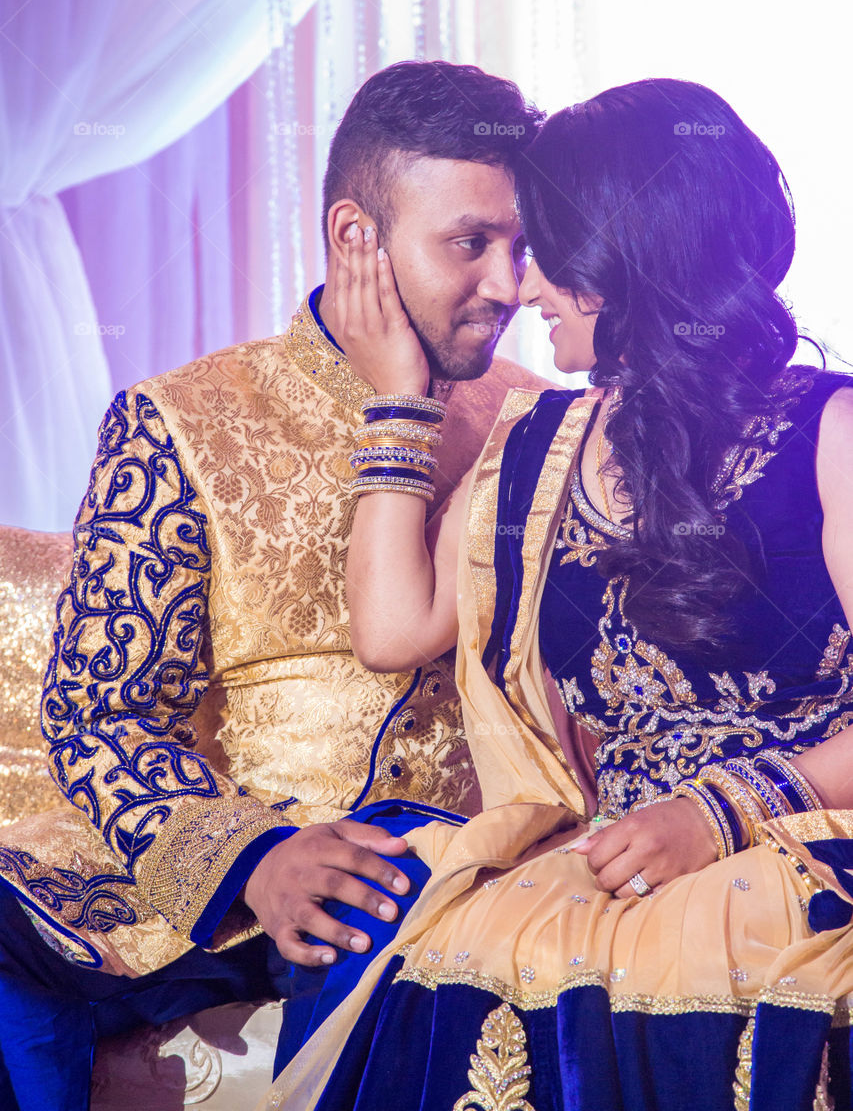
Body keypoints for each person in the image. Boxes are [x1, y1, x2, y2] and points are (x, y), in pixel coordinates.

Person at [264, 78, 853, 1111]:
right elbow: (394, 626)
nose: (521, 289)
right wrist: (400, 400)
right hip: (605, 860)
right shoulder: (537, 447)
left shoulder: (829, 435)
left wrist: (720, 811)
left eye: (549, 255)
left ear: (626, 260)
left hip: (792, 852)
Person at [0, 59, 548, 1111]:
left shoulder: (543, 422)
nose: (510, 284)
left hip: (459, 867)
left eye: (522, 247)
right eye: (469, 244)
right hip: (236, 887)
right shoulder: (182, 420)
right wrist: (256, 857)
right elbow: (99, 712)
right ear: (356, 238)